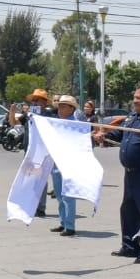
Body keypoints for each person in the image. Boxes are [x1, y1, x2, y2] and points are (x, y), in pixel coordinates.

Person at [98, 83, 140, 262]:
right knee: (129, 210)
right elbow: (120, 136)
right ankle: (129, 247)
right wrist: (103, 137)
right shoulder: (131, 117)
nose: (134, 101)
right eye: (134, 97)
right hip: (130, 173)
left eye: (138, 98)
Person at [48, 95, 86, 235]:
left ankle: (70, 226)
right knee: (59, 195)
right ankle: (63, 221)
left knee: (68, 196)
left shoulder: (75, 124)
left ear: (71, 109)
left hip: (70, 163)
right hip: (57, 163)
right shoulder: (57, 122)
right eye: (60, 106)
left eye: (64, 106)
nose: (60, 109)